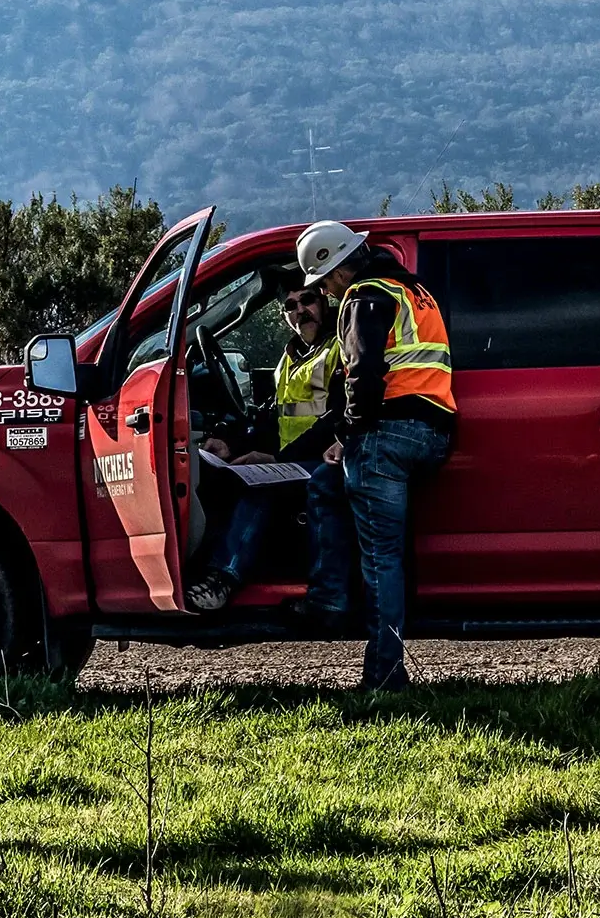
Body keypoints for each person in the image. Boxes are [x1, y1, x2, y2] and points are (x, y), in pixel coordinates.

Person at [296, 220, 456, 690]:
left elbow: (363, 375)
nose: (324, 293)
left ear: (338, 269)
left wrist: (346, 435)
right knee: (325, 486)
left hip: (386, 434)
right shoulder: (414, 292)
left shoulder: (362, 296)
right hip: (432, 432)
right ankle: (328, 596)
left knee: (381, 560)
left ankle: (385, 677)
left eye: (322, 282)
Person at [187, 281, 341, 611]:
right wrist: (230, 443)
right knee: (240, 474)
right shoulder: (292, 357)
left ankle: (223, 578)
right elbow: (275, 415)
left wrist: (277, 459)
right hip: (298, 459)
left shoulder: (340, 347)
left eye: (307, 300)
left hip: (330, 459)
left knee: (261, 486)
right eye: (290, 306)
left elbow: (335, 419)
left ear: (324, 301)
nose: (300, 310)